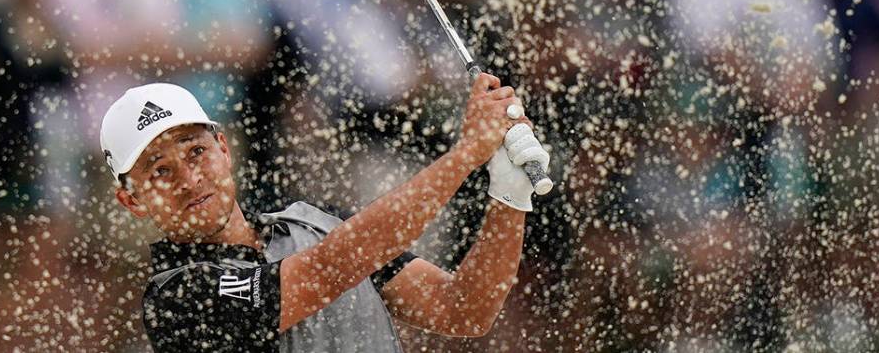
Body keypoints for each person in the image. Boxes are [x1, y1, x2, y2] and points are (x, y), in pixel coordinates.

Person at [100, 75, 550, 352]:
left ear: (223, 148)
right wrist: (468, 152)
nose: (189, 178)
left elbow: (462, 310)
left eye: (196, 151)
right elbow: (330, 269)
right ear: (133, 200)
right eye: (160, 171)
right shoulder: (177, 296)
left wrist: (508, 197)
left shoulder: (313, 222)